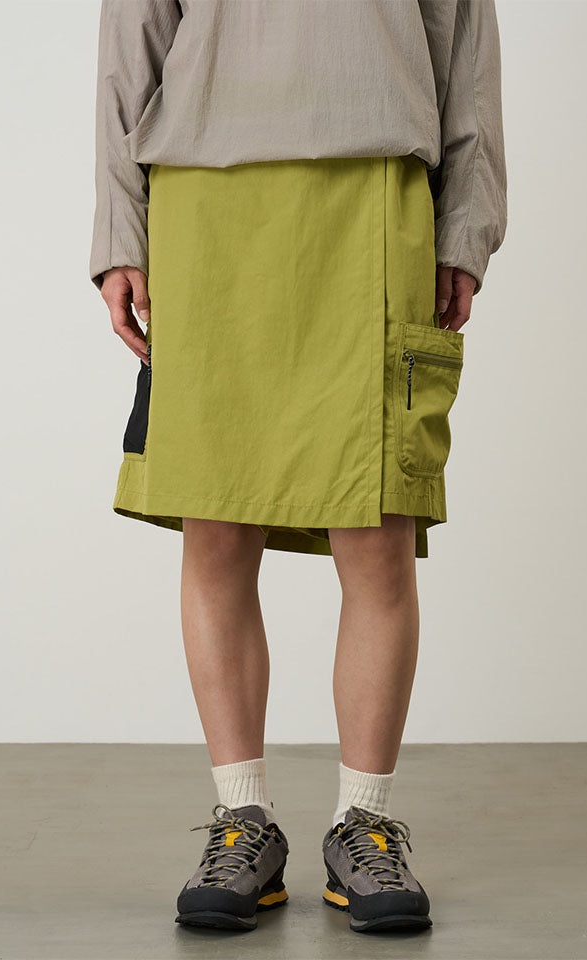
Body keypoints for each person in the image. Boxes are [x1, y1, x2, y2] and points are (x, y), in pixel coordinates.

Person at [89, 0, 506, 935]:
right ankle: (242, 819)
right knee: (216, 523)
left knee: (378, 528)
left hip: (375, 193)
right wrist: (120, 229)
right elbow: (131, 44)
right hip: (205, 198)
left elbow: (466, 47)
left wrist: (467, 224)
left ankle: (367, 823)